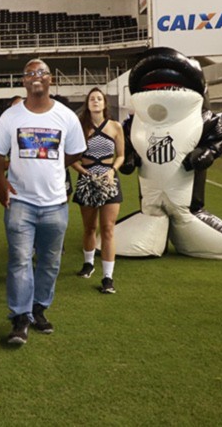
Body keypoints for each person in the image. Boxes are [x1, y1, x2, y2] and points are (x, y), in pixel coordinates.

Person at [0, 58, 86, 346]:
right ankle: (20, 319)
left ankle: (39, 309)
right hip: (21, 202)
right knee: (20, 260)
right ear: (24, 81)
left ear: (50, 79)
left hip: (55, 203)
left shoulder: (66, 117)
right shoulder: (11, 117)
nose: (36, 76)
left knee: (50, 262)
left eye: (41, 72)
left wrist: (54, 165)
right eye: (30, 73)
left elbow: (76, 152)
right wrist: (1, 183)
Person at [71, 87, 125, 293]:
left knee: (108, 228)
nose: (95, 101)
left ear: (104, 103)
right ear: (87, 104)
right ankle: (88, 263)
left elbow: (121, 155)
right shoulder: (79, 128)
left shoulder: (115, 126)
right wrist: (85, 173)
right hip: (87, 182)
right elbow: (71, 158)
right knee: (89, 227)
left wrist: (112, 171)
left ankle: (108, 278)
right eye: (92, 99)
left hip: (109, 182)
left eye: (99, 98)